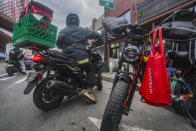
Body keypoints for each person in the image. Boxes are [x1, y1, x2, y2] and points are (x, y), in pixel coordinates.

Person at [57, 13, 103, 102]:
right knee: (90, 70)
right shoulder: (82, 30)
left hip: (65, 57)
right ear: (77, 21)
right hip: (80, 57)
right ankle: (89, 91)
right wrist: (100, 42)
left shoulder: (62, 31)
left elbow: (58, 45)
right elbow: (96, 35)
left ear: (67, 21)